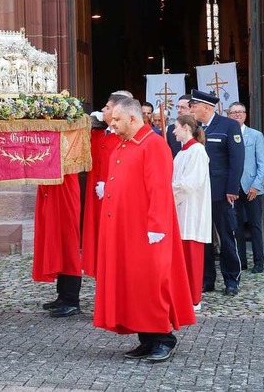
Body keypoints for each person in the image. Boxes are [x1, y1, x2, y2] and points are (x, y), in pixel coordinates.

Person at [94, 97, 195, 363]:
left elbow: (159, 188)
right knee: (133, 284)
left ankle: (163, 338)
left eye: (116, 119)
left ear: (132, 118)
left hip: (146, 230)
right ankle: (146, 338)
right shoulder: (125, 144)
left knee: (152, 284)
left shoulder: (153, 145)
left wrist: (157, 226)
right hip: (126, 231)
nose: (112, 124)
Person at [188, 89, 245, 296]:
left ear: (207, 107)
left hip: (222, 192)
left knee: (226, 236)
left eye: (194, 105)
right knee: (203, 239)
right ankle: (206, 279)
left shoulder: (228, 125)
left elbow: (237, 160)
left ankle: (231, 279)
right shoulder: (194, 128)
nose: (191, 108)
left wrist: (232, 188)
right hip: (199, 193)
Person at [81, 93, 126, 278]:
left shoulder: (124, 137)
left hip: (112, 193)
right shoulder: (99, 132)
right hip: (96, 192)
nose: (102, 111)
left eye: (107, 108)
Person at [171, 115, 212, 312]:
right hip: (180, 209)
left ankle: (194, 299)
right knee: (181, 258)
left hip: (192, 209)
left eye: (176, 128)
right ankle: (183, 295)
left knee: (192, 256)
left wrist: (167, 191)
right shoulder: (181, 153)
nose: (173, 132)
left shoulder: (197, 151)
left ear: (186, 127)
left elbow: (191, 183)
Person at [227, 102, 264, 273]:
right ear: (228, 115)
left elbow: (262, 163)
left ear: (245, 115)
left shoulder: (255, 135)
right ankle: (241, 261)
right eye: (233, 112)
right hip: (234, 188)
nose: (237, 115)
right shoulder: (227, 135)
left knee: (255, 225)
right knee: (236, 227)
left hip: (252, 188)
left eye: (240, 112)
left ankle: (258, 261)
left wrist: (256, 186)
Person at [34, 174, 82, 317]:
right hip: (51, 180)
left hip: (64, 183)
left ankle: (71, 300)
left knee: (68, 243)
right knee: (57, 240)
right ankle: (62, 296)